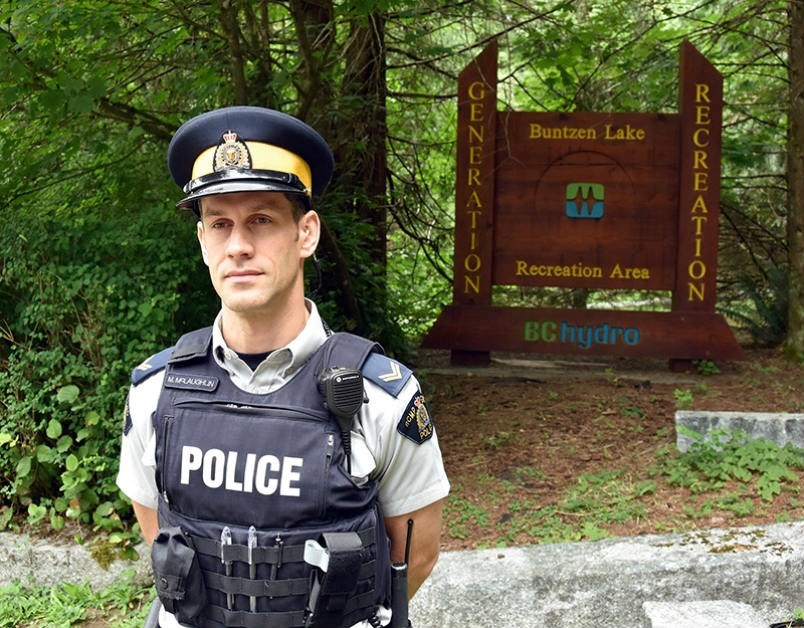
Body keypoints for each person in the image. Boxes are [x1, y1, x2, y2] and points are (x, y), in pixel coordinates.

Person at [116, 106, 450, 628]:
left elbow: (414, 560)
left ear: (307, 233)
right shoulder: (156, 392)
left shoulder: (382, 399)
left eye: (262, 220)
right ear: (203, 241)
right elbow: (161, 536)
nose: (239, 245)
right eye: (220, 224)